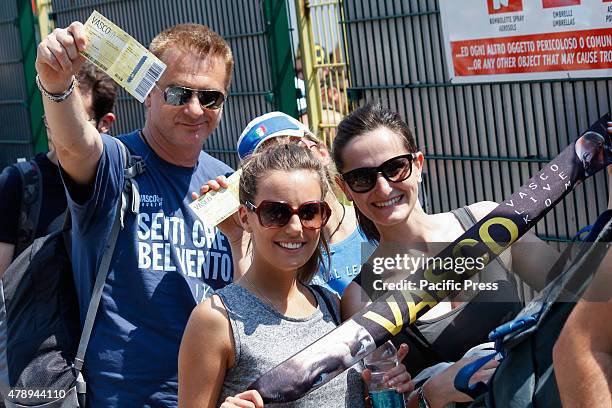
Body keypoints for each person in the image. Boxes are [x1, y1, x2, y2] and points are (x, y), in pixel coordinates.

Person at [35, 21, 239, 407]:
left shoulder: (227, 184)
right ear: (148, 93)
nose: (195, 109)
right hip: (121, 396)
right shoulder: (115, 162)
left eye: (210, 98)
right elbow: (75, 146)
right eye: (179, 93)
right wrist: (56, 86)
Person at [332, 102, 559, 407]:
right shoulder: (362, 298)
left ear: (418, 164)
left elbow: (576, 286)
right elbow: (387, 398)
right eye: (362, 178)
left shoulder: (486, 223)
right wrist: (429, 392)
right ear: (345, 188)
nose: (383, 188)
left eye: (395, 167)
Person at [179, 143, 412, 408]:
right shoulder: (215, 320)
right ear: (245, 217)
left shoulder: (333, 305)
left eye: (309, 212)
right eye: (275, 212)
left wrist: (382, 390)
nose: (295, 227)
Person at [200, 111, 368, 295]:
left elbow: (396, 302)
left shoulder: (370, 223)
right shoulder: (279, 248)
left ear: (321, 152)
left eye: (295, 148)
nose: (288, 166)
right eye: (269, 162)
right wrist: (238, 238)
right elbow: (254, 311)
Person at [0, 61, 116, 277]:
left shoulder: (122, 180)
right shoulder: (18, 182)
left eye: (75, 119)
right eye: (54, 113)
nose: (62, 127)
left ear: (105, 123)